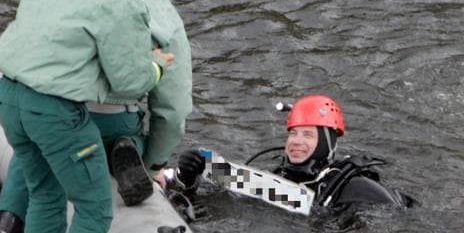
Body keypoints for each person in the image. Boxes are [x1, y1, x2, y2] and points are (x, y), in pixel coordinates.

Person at [0, 0, 193, 233]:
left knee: (34, 159)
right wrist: (154, 162)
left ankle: (5, 226)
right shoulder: (164, 18)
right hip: (107, 117)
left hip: (42, 101)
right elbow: (172, 110)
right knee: (99, 187)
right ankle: (127, 153)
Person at [163, 95, 413, 212]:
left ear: (326, 143)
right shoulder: (275, 178)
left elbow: (393, 222)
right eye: (293, 134)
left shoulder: (355, 187)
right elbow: (208, 211)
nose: (295, 142)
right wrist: (188, 179)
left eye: (307, 135)